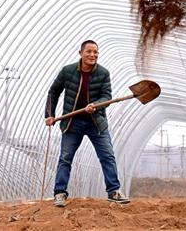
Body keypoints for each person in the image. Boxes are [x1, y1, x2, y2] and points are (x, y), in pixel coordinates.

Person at [44, 39, 130, 207]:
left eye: (95, 52)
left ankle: (114, 191)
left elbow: (107, 96)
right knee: (65, 158)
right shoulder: (67, 71)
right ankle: (60, 193)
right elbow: (53, 92)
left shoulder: (103, 73)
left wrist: (96, 105)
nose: (92, 55)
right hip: (72, 122)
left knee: (107, 156)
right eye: (89, 51)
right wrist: (49, 114)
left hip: (95, 122)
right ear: (81, 53)